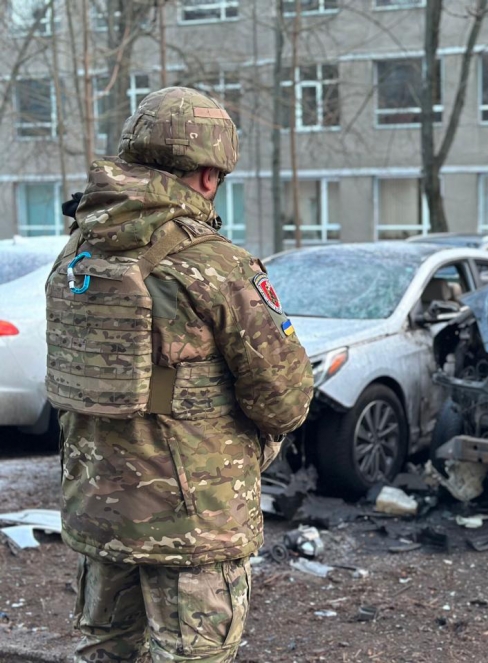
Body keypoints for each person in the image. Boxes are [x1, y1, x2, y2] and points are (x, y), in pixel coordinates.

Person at [45, 87, 314, 662]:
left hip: (100, 512)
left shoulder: (77, 251)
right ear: (210, 175)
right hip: (194, 524)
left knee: (103, 652)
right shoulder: (215, 265)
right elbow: (285, 398)